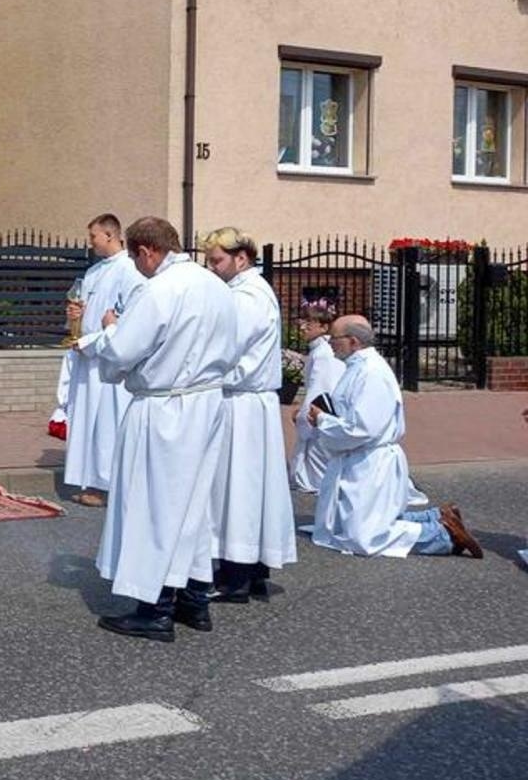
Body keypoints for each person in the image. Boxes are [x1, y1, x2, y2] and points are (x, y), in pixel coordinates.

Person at [91, 216, 238, 641]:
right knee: (193, 506)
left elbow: (123, 350)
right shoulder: (216, 286)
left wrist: (108, 333)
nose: (139, 268)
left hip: (165, 407)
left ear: (146, 251)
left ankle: (152, 608)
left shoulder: (161, 289)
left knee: (152, 505)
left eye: (138, 260)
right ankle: (193, 599)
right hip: (208, 402)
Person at [306, 316, 482, 560]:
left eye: (333, 339)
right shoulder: (357, 367)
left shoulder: (371, 372)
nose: (329, 344)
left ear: (353, 341)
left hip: (370, 460)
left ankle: (444, 534)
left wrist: (324, 420)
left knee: (363, 537)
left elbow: (364, 428)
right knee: (350, 522)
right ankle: (434, 517)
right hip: (359, 457)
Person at [203, 227, 297, 603]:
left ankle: (235, 575)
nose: (212, 269)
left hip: (240, 402)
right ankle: (252, 569)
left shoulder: (245, 297)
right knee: (250, 488)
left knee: (236, 489)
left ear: (241, 258)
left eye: (217, 261)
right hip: (247, 402)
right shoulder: (251, 292)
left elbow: (224, 348)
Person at [65, 214, 145, 506]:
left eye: (94, 237)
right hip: (88, 358)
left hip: (109, 360)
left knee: (108, 422)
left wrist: (90, 341)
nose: (90, 242)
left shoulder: (130, 271)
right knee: (87, 421)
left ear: (110, 235)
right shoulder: (93, 272)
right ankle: (91, 479)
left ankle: (109, 484)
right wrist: (75, 317)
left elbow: (127, 321)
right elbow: (85, 309)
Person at [290, 302, 344, 494]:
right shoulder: (320, 350)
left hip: (322, 416)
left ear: (324, 326)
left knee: (318, 473)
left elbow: (320, 389)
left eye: (308, 323)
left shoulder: (323, 354)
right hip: (325, 414)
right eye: (301, 321)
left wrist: (305, 415)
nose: (302, 326)